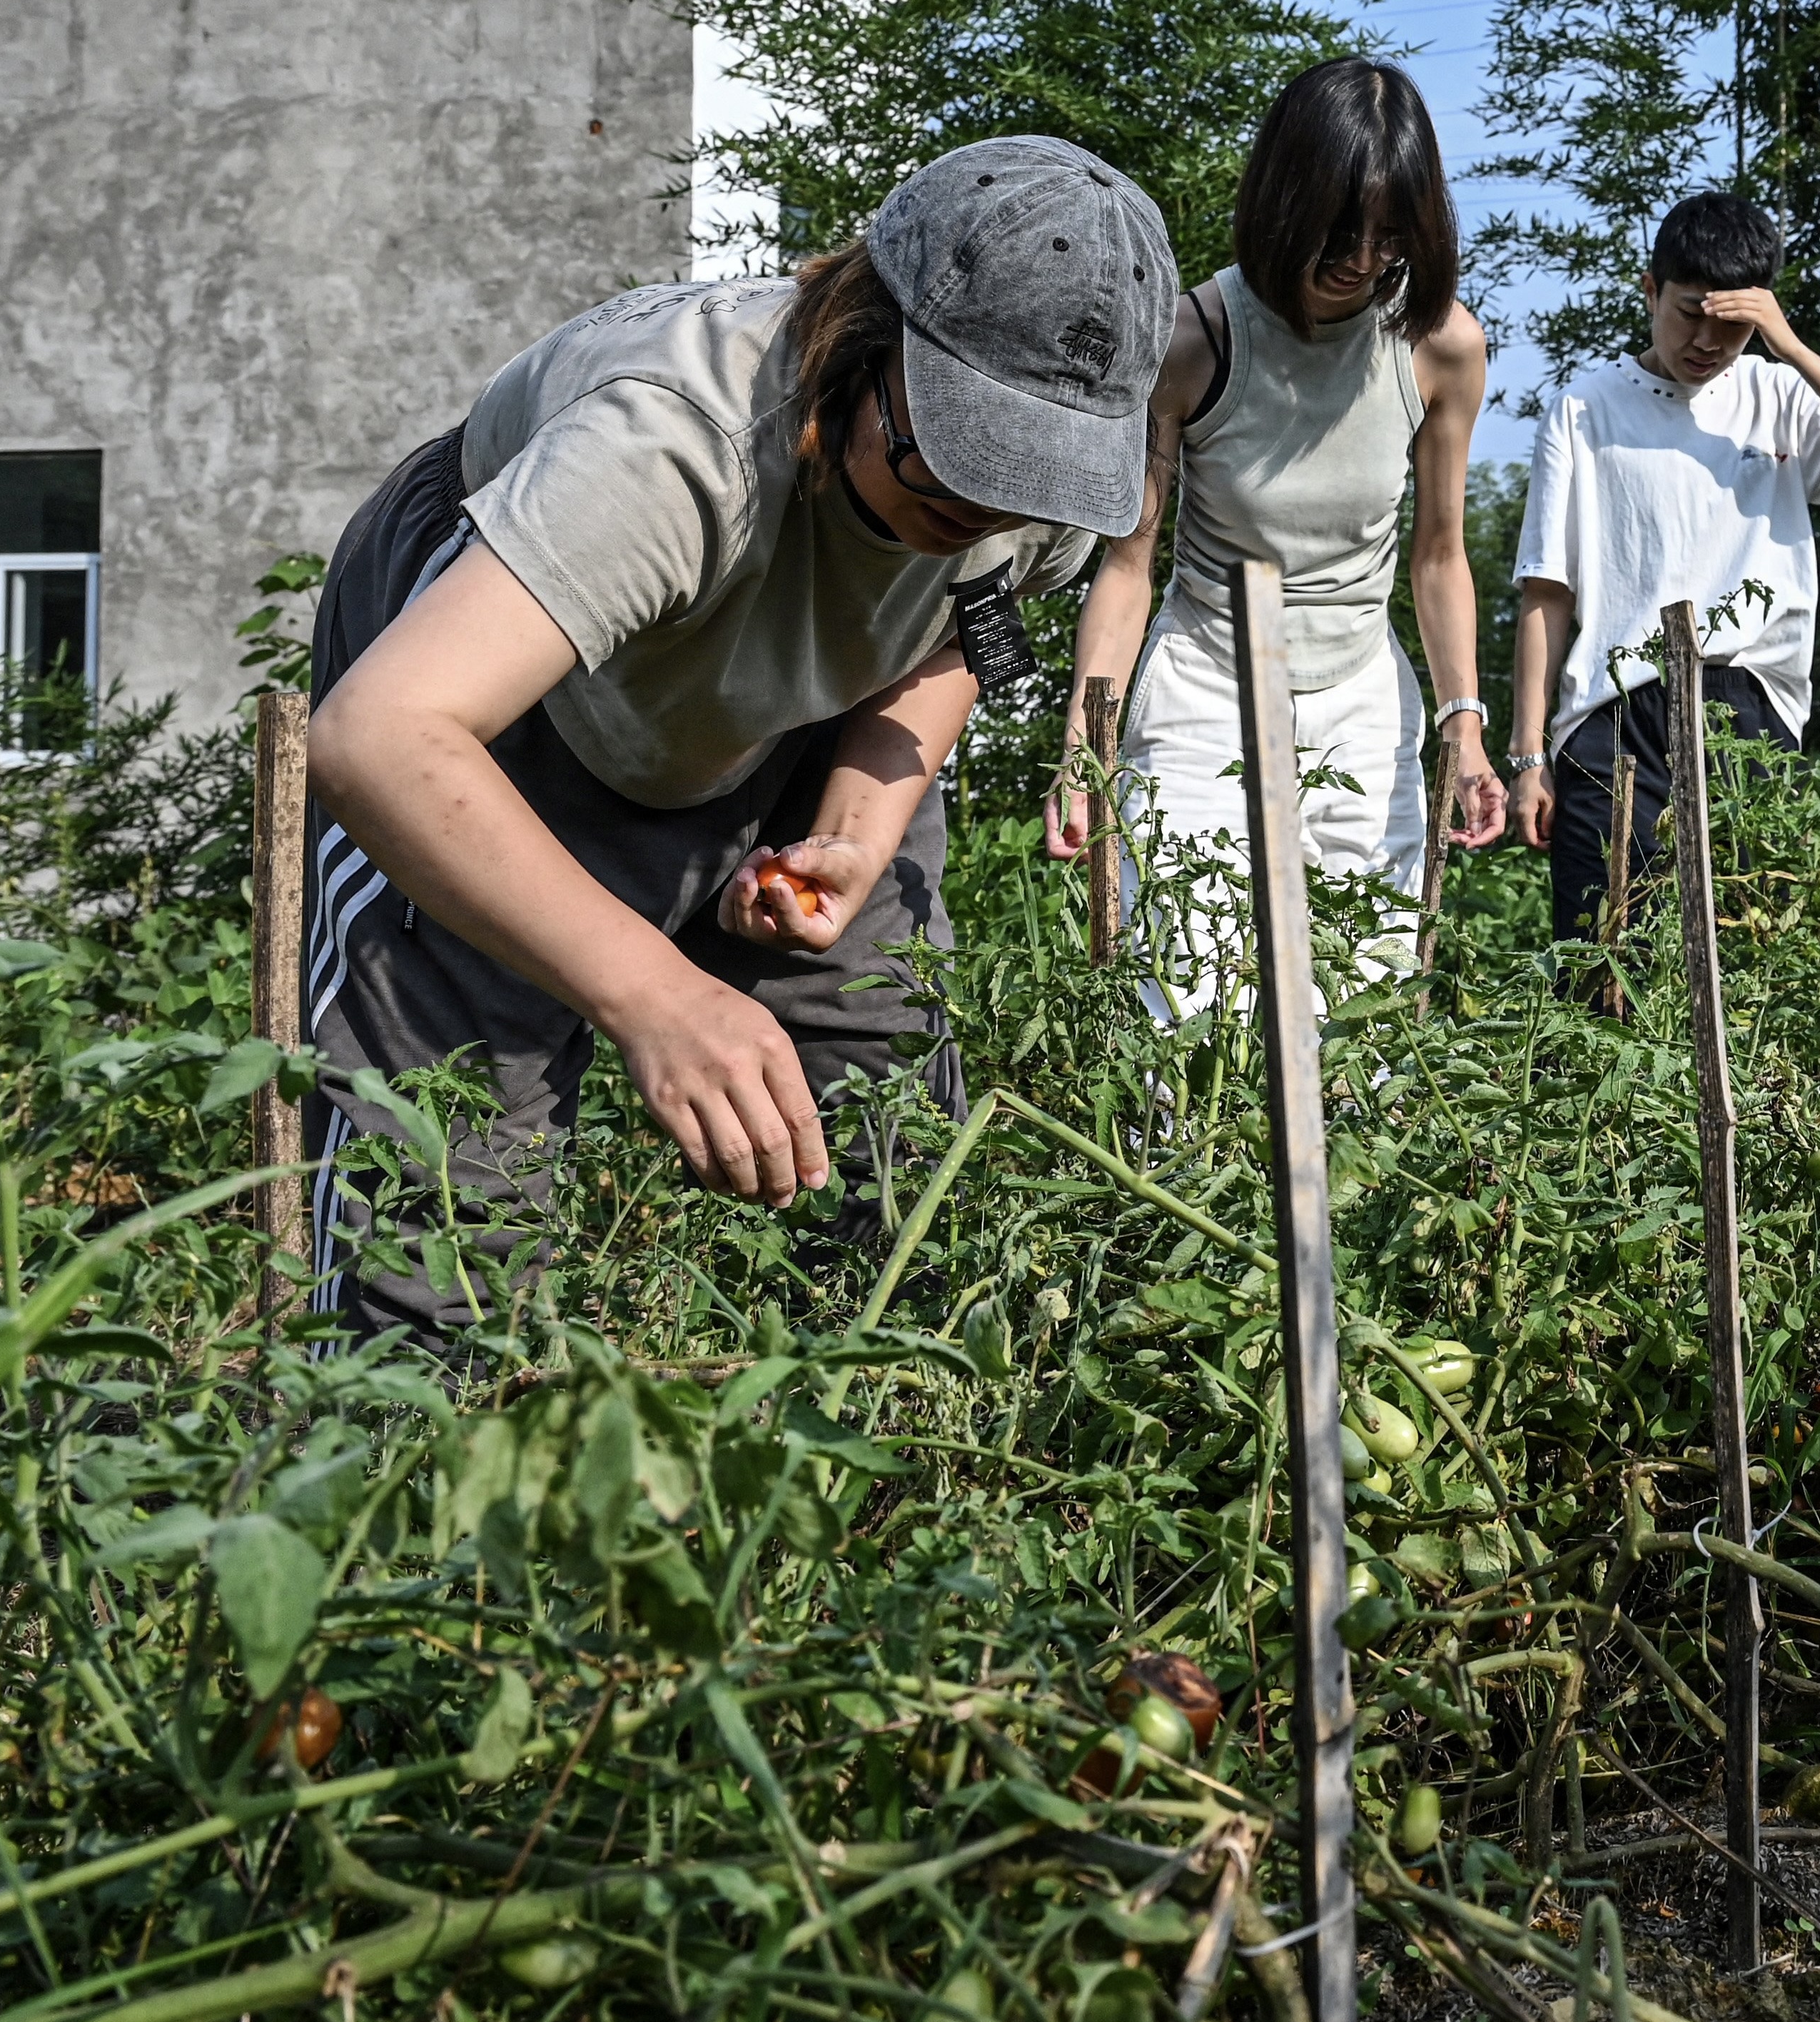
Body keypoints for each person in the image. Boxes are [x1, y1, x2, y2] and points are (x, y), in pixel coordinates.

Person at [304, 137, 1173, 1340]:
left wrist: (853, 836)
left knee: (901, 1167)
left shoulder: (1049, 481)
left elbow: (954, 635)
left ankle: (876, 1454)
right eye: (954, 466)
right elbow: (381, 736)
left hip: (788, 708)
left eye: (1021, 487)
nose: (984, 515)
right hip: (518, 702)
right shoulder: (671, 445)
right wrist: (652, 992)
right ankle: (399, 1496)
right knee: (442, 1205)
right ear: (866, 344)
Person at [1044, 58, 1502, 1011]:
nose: (1363, 258)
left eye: (1389, 234)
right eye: (1340, 229)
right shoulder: (1191, 342)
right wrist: (1084, 748)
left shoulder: (1438, 345)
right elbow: (1128, 570)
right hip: (1205, 688)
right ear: (1285, 199)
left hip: (1362, 700)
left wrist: (1467, 721)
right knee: (1191, 1005)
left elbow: (1438, 556)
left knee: (1361, 1008)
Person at [1506, 191, 1820, 957]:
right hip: (1612, 714)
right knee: (1601, 962)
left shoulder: (1778, 394)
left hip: (1750, 712)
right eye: (1686, 313)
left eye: (1729, 323)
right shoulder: (1584, 408)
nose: (1704, 340)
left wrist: (1788, 346)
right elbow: (1546, 591)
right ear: (1649, 290)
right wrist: (1529, 756)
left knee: (1747, 962)